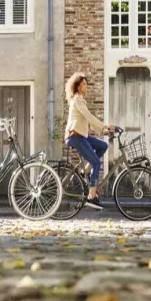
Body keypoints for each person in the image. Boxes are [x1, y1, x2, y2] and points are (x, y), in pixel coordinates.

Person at [65, 72, 112, 208]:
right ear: (78, 87)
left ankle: (85, 171)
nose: (86, 86)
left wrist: (102, 130)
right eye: (84, 84)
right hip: (75, 136)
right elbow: (89, 116)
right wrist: (104, 126)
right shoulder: (77, 100)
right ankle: (91, 196)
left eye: (86, 84)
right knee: (96, 162)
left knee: (103, 146)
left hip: (81, 135)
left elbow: (88, 122)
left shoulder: (81, 100)